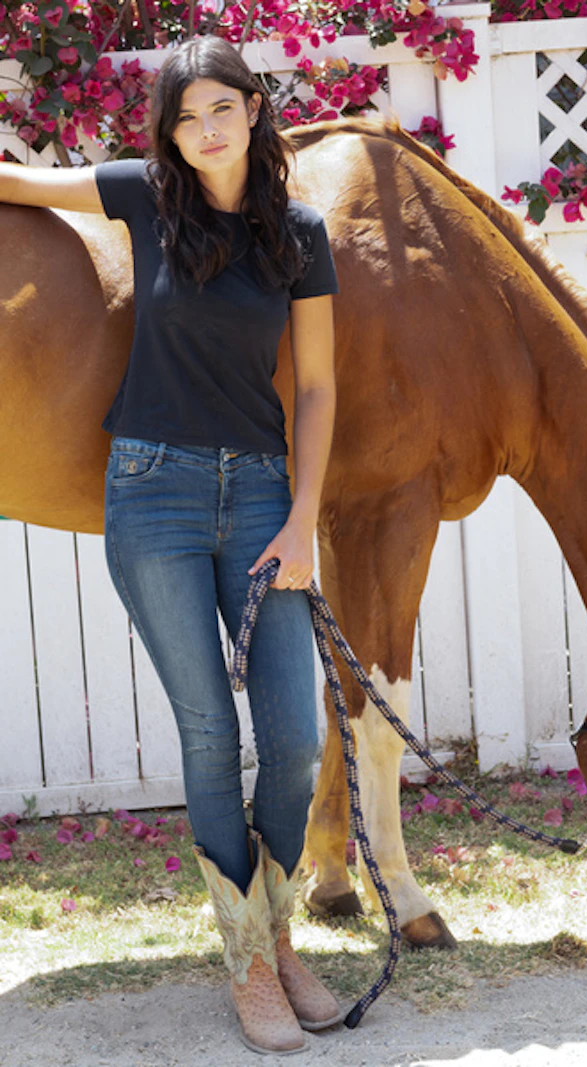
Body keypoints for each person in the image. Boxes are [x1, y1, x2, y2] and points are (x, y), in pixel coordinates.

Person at [0, 34, 340, 1056]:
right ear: (169, 130)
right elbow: (14, 179)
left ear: (252, 106)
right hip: (151, 494)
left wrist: (304, 518)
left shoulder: (299, 234)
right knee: (208, 735)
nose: (204, 130)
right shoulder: (144, 198)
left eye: (220, 109)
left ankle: (273, 939)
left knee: (294, 739)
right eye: (184, 116)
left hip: (262, 503)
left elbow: (316, 387)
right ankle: (247, 963)